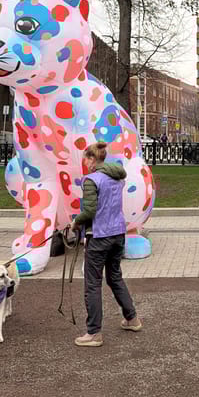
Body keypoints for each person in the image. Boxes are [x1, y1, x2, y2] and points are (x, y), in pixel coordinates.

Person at [73, 140, 142, 347]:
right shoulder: (116, 177)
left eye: (86, 158)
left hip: (99, 236)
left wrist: (76, 222)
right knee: (114, 277)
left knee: (92, 284)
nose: (84, 162)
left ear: (93, 159)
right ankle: (132, 318)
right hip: (118, 234)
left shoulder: (90, 180)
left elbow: (90, 211)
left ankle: (94, 333)